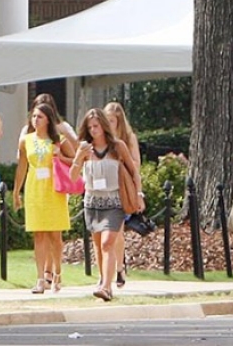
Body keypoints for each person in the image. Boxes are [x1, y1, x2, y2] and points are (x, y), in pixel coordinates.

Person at [70, 108, 141, 301]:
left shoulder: (117, 147)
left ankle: (107, 287)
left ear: (104, 125)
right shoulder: (85, 149)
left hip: (114, 202)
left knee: (108, 242)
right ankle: (103, 279)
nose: (94, 130)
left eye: (97, 126)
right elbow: (73, 178)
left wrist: (139, 194)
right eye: (90, 127)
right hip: (92, 202)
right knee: (98, 245)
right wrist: (78, 158)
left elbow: (134, 171)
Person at [13, 102, 75, 294]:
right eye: (33, 116)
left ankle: (57, 273)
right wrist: (16, 191)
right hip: (35, 188)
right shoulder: (27, 140)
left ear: (48, 119)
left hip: (54, 189)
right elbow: (22, 165)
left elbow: (75, 161)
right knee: (38, 234)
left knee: (55, 234)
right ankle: (40, 278)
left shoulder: (60, 141)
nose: (35, 120)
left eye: (39, 117)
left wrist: (60, 157)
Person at [103, 101, 141, 288]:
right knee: (105, 233)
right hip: (104, 189)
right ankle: (111, 269)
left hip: (121, 188)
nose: (108, 124)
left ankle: (119, 267)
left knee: (116, 231)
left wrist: (138, 191)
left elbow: (136, 165)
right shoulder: (100, 138)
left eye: (112, 121)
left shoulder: (128, 138)